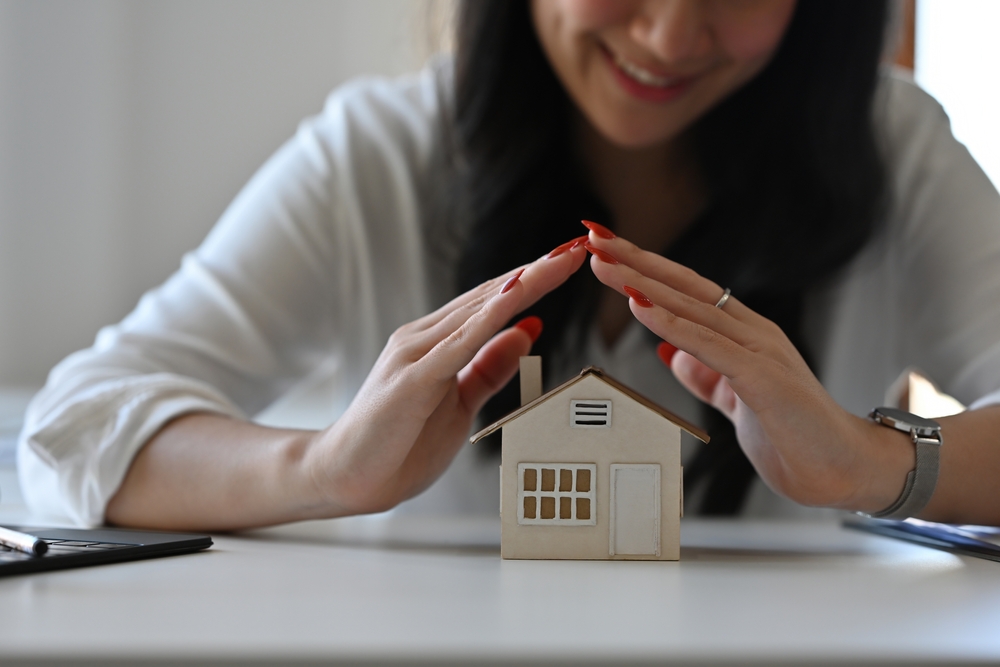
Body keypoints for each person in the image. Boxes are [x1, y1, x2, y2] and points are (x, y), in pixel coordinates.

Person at [18, 0, 1000, 530]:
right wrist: (319, 469)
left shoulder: (895, 150)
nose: (667, 34)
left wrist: (873, 461)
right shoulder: (378, 154)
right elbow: (73, 428)